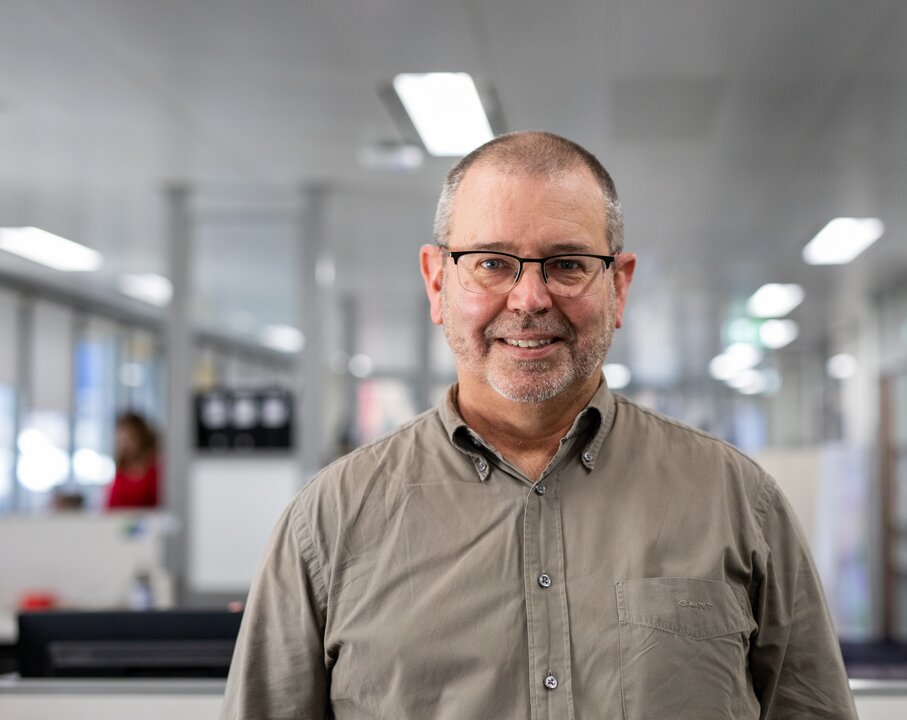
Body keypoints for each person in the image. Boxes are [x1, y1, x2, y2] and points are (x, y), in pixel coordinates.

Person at [221, 131, 858, 719]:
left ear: (620, 286)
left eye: (568, 263)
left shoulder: (739, 503)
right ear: (438, 281)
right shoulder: (329, 524)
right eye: (492, 263)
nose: (529, 299)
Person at [105, 412, 160, 509]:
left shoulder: (156, 468)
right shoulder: (120, 471)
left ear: (140, 438)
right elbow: (110, 506)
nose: (125, 445)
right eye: (122, 440)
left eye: (129, 439)